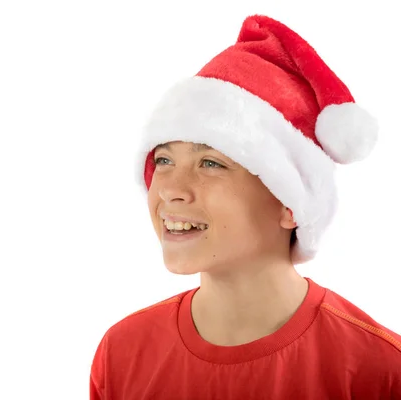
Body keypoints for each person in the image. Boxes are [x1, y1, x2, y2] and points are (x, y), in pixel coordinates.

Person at [89, 14, 401, 399]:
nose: (170, 190)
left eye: (211, 163)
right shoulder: (122, 352)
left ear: (290, 204)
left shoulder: (378, 369)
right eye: (165, 160)